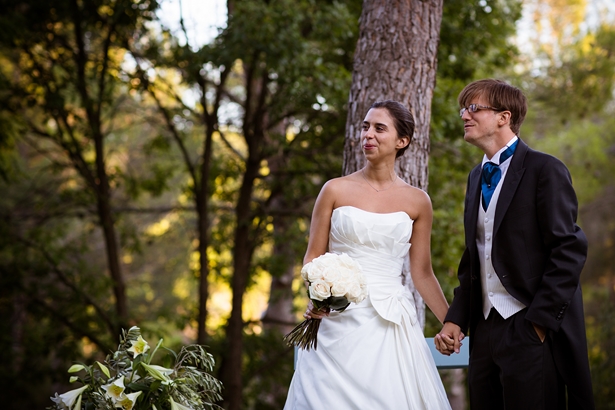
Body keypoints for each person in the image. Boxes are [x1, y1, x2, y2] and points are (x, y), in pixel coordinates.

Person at [435, 79, 595, 409]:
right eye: (463, 109)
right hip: (484, 332)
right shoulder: (475, 177)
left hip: (529, 328)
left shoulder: (544, 169)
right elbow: (475, 257)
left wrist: (537, 323)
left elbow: (568, 250)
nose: (464, 115)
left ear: (503, 117)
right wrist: (455, 319)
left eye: (474, 108)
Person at [284, 100, 452, 409]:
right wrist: (319, 296)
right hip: (336, 321)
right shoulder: (334, 190)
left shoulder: (418, 202)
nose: (368, 135)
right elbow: (312, 258)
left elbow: (422, 272)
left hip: (388, 323)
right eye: (364, 127)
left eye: (379, 128)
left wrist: (450, 322)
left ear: (402, 141)